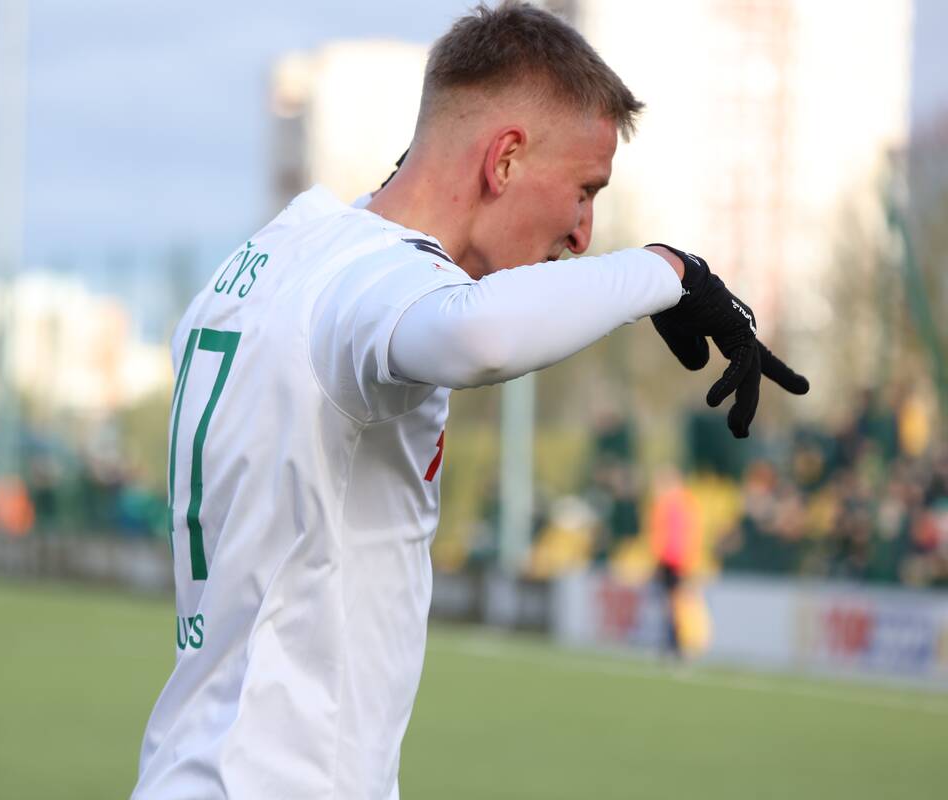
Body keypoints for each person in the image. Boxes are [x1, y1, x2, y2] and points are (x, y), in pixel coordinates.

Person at [131, 3, 809, 797]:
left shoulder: (272, 259)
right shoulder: (375, 278)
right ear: (505, 159)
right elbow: (475, 335)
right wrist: (669, 272)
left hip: (190, 766)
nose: (583, 234)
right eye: (584, 191)